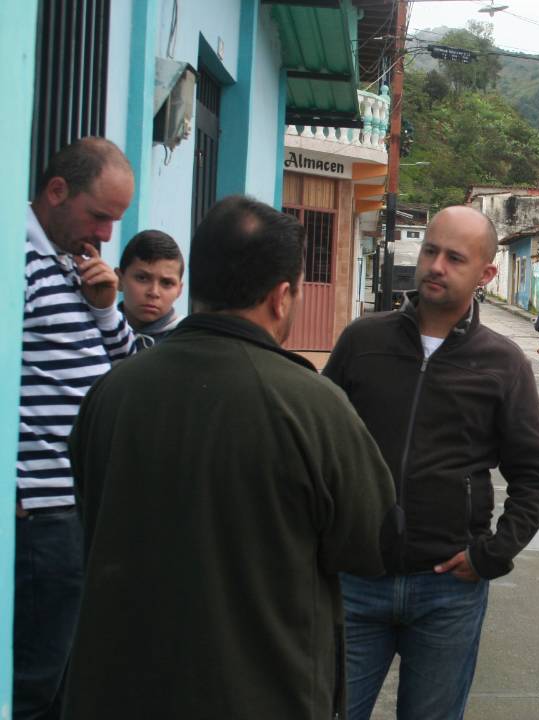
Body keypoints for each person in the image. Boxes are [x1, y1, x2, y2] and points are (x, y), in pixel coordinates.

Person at [63, 196, 396, 719]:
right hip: (262, 691)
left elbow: (91, 507)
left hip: (114, 689)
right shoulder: (311, 406)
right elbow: (371, 543)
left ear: (194, 281)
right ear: (282, 296)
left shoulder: (111, 393)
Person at [323, 205, 539, 720]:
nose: (436, 265)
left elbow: (537, 475)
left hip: (447, 590)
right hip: (355, 581)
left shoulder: (503, 363)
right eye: (431, 251)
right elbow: (317, 447)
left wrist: (491, 555)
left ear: (485, 274)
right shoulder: (363, 341)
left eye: (455, 258)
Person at [17, 137, 135, 720]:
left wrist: (107, 308)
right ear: (57, 192)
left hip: (76, 505)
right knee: (38, 681)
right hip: (40, 513)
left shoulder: (72, 263)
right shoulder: (21, 258)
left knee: (67, 670)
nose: (108, 235)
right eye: (100, 216)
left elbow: (129, 366)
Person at [117, 229, 184, 351]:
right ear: (119, 279)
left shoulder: (188, 341)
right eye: (142, 278)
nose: (153, 292)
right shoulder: (92, 331)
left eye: (167, 283)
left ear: (179, 290)